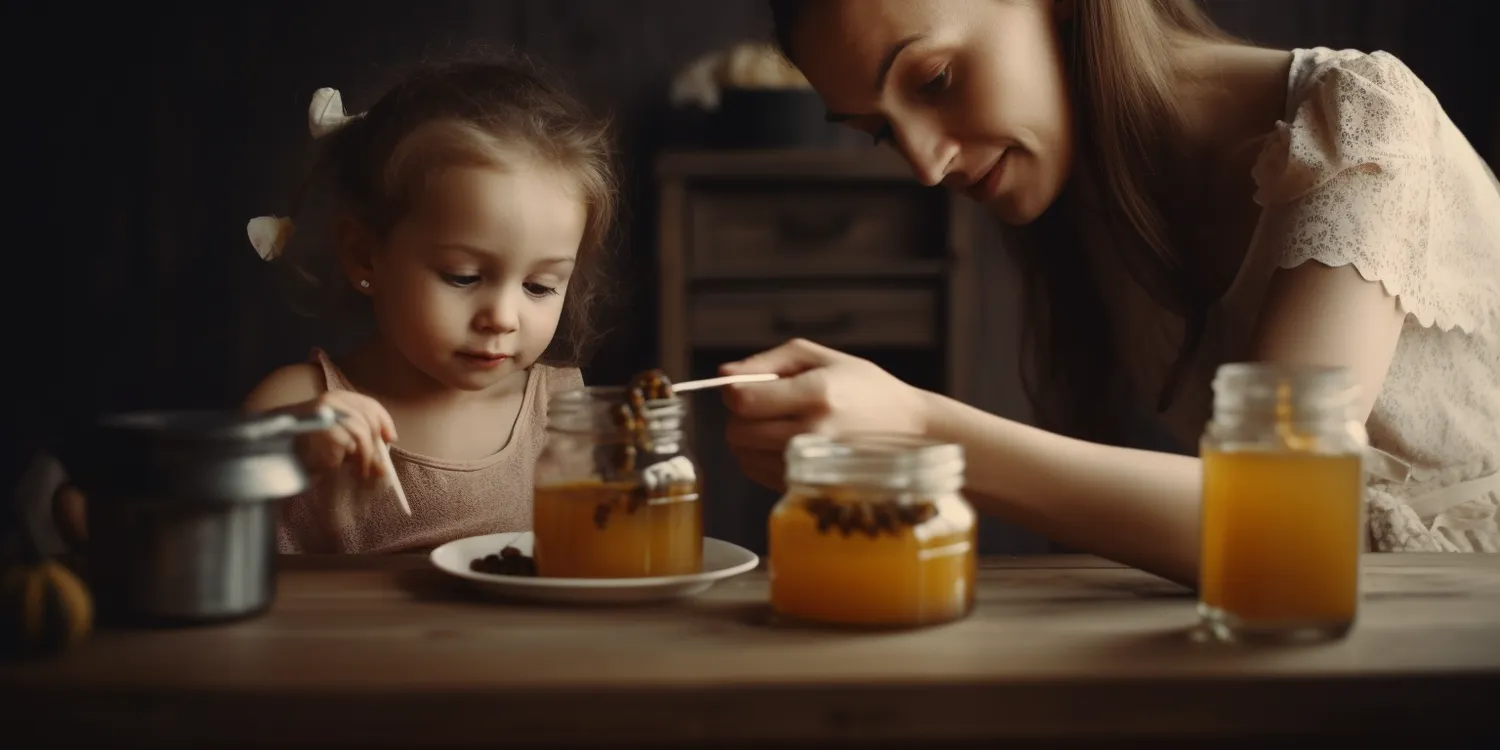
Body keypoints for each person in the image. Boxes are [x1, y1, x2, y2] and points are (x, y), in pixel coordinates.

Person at [720, 0, 1500, 585]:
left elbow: (1287, 517)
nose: (925, 166)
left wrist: (918, 427)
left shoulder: (1362, 117)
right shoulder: (1081, 196)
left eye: (936, 79)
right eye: (881, 131)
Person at [54, 54, 619, 554]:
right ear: (365, 258)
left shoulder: (567, 416)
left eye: (540, 287)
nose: (503, 316)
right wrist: (280, 455)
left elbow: (615, 560)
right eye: (464, 276)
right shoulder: (304, 406)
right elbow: (189, 552)